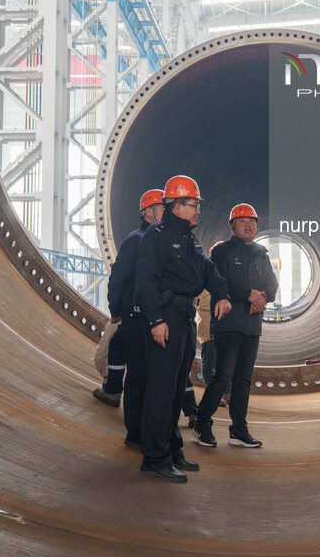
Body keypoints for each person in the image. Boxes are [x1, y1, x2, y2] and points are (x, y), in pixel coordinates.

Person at [135, 175, 231, 482]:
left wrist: (223, 294)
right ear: (176, 205)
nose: (198, 210)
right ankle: (154, 458)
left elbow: (208, 271)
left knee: (177, 390)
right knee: (160, 391)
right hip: (166, 317)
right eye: (193, 204)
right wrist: (155, 321)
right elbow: (145, 282)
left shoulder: (191, 239)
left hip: (185, 317)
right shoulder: (156, 236)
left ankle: (173, 450)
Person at [193, 204, 278, 449]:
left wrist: (261, 297)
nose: (248, 224)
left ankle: (239, 430)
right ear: (232, 226)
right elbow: (218, 281)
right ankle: (202, 423)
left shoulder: (262, 253)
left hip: (252, 324)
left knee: (243, 379)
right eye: (241, 221)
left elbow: (272, 285)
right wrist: (247, 295)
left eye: (251, 220)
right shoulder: (223, 251)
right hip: (228, 323)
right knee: (222, 376)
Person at [93, 189, 164, 422]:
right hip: (137, 311)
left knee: (123, 349)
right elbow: (120, 277)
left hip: (148, 313)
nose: (168, 213)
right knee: (124, 348)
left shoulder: (157, 240)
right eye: (163, 208)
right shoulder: (139, 241)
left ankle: (114, 391)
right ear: (148, 213)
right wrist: (116, 309)